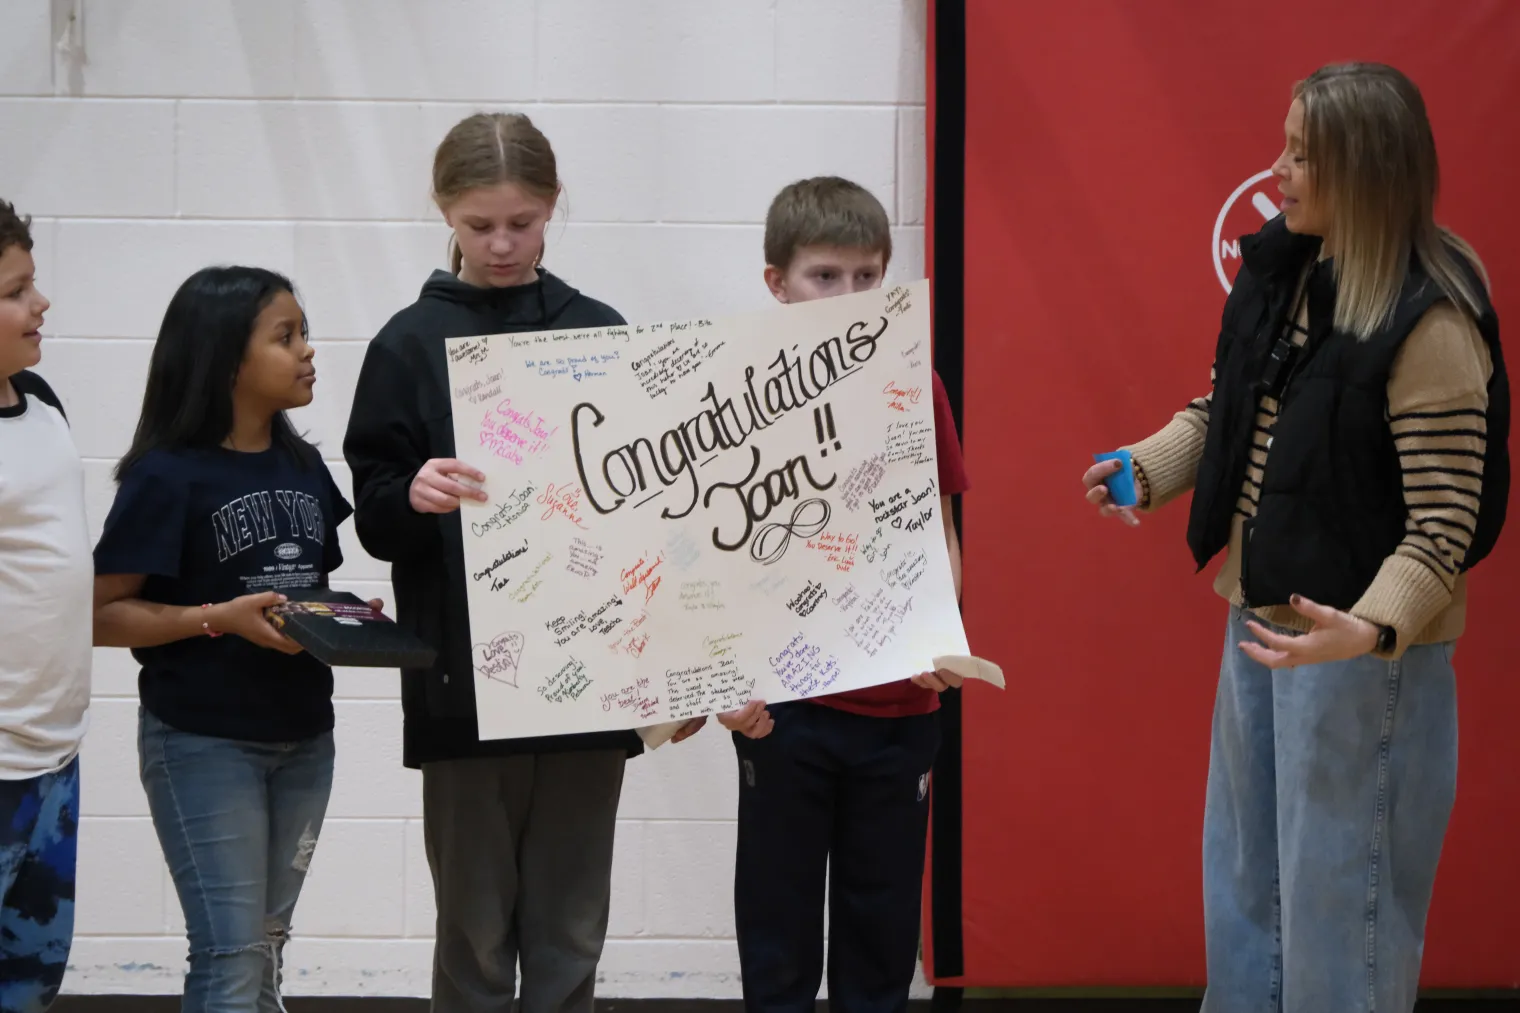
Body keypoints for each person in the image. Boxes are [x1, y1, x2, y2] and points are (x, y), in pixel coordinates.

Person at [1082, 63, 1508, 1013]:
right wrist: (1145, 468)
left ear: (1364, 169)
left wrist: (1370, 628)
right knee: (1247, 885)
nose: (1279, 171)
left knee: (1339, 905)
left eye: (1303, 154)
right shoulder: (1290, 272)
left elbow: (1447, 522)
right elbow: (1230, 409)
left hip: (1361, 654)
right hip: (1265, 622)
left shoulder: (1430, 317)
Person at [343, 112, 645, 1013]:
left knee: (572, 927)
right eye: (480, 226)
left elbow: (641, 507)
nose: (503, 244)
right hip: (462, 682)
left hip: (587, 678)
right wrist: (411, 494)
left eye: (522, 222)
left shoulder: (601, 329)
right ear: (444, 211)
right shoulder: (405, 344)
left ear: (553, 208)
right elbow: (373, 518)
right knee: (473, 929)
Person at [687, 176, 970, 1013]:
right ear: (776, 281)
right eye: (824, 275)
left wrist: (936, 634)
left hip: (898, 708)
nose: (848, 295)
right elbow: (707, 561)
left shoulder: (912, 381)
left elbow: (940, 531)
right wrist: (721, 677)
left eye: (866, 275)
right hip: (783, 709)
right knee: (776, 937)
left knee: (879, 939)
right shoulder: (734, 394)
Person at [93, 266, 374, 1012]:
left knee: (267, 948)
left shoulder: (305, 465)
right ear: (226, 360)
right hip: (203, 742)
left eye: (304, 331)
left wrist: (347, 618)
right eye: (286, 336)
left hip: (306, 737)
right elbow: (99, 614)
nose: (309, 350)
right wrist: (215, 616)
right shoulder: (166, 475)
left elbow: (300, 592)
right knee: (231, 954)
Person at [0, 198, 90, 1013]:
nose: (41, 304)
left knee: (31, 981)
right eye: (16, 290)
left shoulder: (42, 399)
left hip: (53, 757)